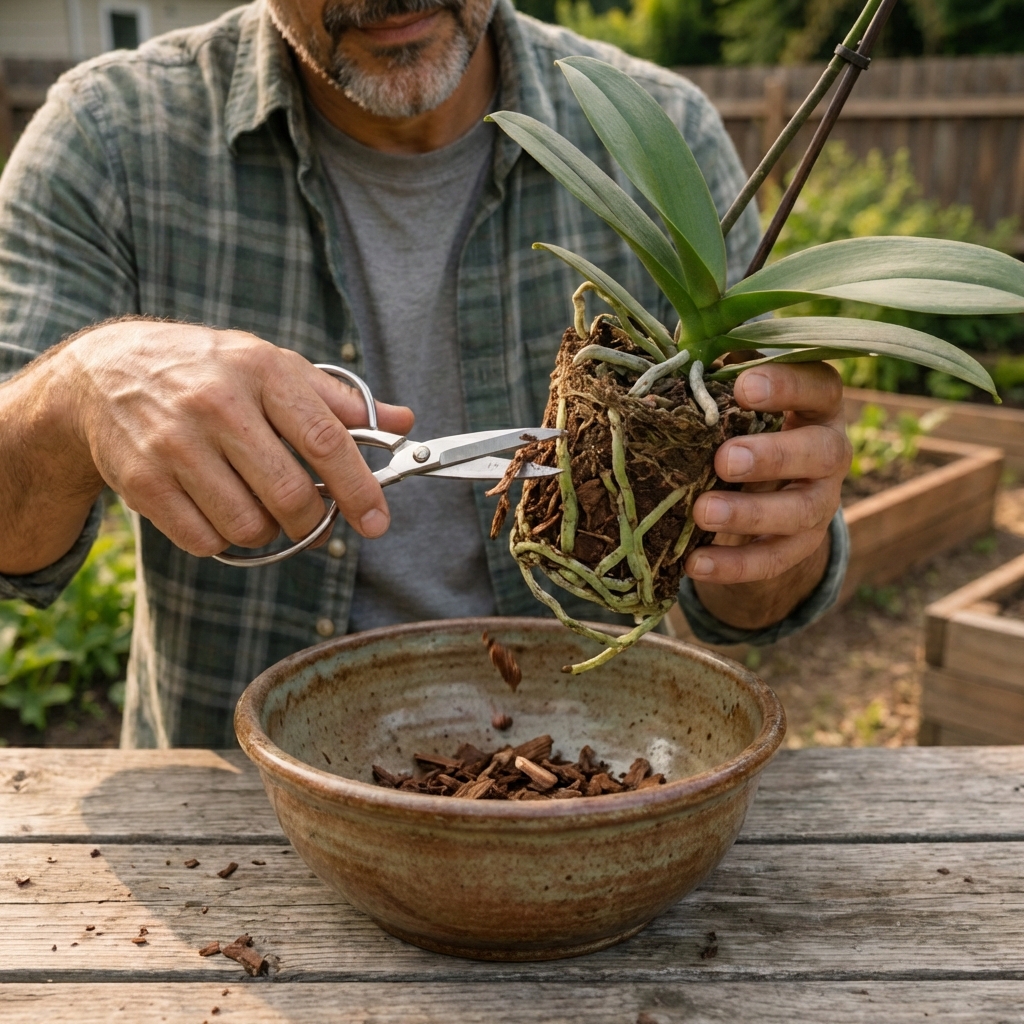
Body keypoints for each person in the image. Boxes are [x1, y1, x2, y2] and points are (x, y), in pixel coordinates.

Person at [0, 0, 851, 747]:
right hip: (229, 824)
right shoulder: (109, 138)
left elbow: (744, 611)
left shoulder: (657, 140)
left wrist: (769, 529)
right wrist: (73, 394)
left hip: (595, 789)